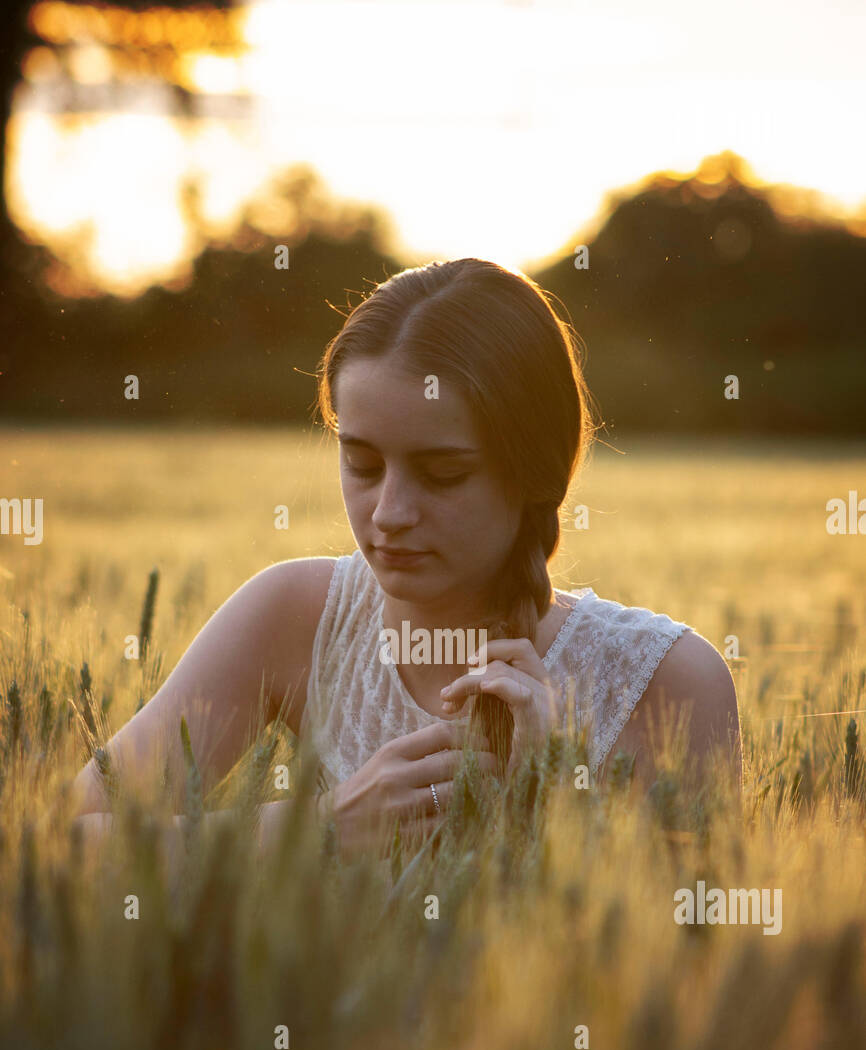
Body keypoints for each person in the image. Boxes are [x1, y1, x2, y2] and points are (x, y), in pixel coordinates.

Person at [70, 258, 741, 860]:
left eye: (443, 474)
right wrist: (322, 829)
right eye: (361, 463)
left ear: (535, 473)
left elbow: (699, 947)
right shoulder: (294, 616)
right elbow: (61, 842)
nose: (389, 513)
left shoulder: (667, 681)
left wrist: (554, 801)